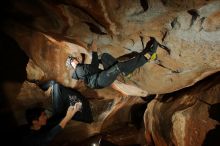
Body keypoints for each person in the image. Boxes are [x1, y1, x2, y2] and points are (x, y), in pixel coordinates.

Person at [66, 38, 159, 89]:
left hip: (101, 79)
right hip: (100, 80)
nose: (76, 59)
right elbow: (94, 66)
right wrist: (94, 50)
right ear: (72, 62)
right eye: (74, 59)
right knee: (118, 67)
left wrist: (98, 58)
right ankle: (149, 55)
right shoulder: (79, 69)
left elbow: (93, 68)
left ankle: (125, 72)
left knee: (104, 56)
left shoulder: (80, 70)